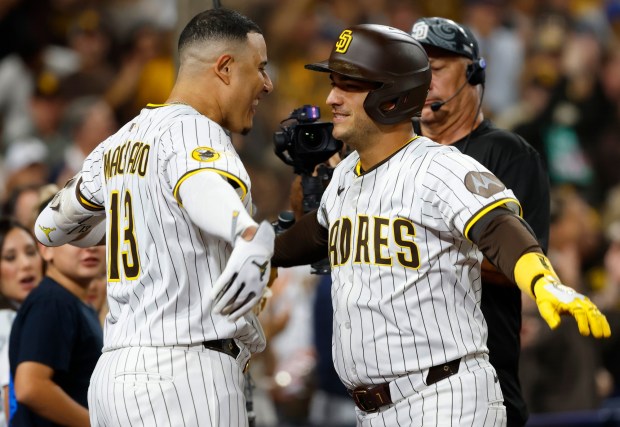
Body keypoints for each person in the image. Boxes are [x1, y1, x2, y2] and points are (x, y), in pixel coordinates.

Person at [263, 24, 610, 426]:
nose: (331, 98)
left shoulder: (440, 166)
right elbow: (314, 237)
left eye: (348, 86)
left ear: (391, 99)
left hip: (444, 400)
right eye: (333, 83)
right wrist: (261, 253)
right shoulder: (346, 176)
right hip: (374, 410)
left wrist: (541, 280)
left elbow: (498, 227)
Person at [33, 8, 275, 427]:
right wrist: (247, 230)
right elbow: (201, 187)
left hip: (115, 376)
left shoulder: (120, 139)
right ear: (224, 68)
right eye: (261, 69)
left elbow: (49, 228)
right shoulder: (197, 130)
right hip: (184, 376)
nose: (268, 85)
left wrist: (116, 225)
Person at [409, 17, 550, 427]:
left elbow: (525, 265)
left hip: (481, 382)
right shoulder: (397, 158)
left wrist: (428, 252)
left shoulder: (510, 155)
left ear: (473, 72)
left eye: (434, 71)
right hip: (402, 385)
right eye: (415, 72)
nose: (423, 83)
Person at [8, 242, 105, 426]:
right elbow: (30, 386)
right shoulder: (52, 301)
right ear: (46, 249)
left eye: (98, 236)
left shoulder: (70, 302)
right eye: (77, 236)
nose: (90, 246)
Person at [0, 218, 44, 426]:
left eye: (30, 252)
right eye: (10, 257)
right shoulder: (7, 323)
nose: (26, 264)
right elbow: (15, 405)